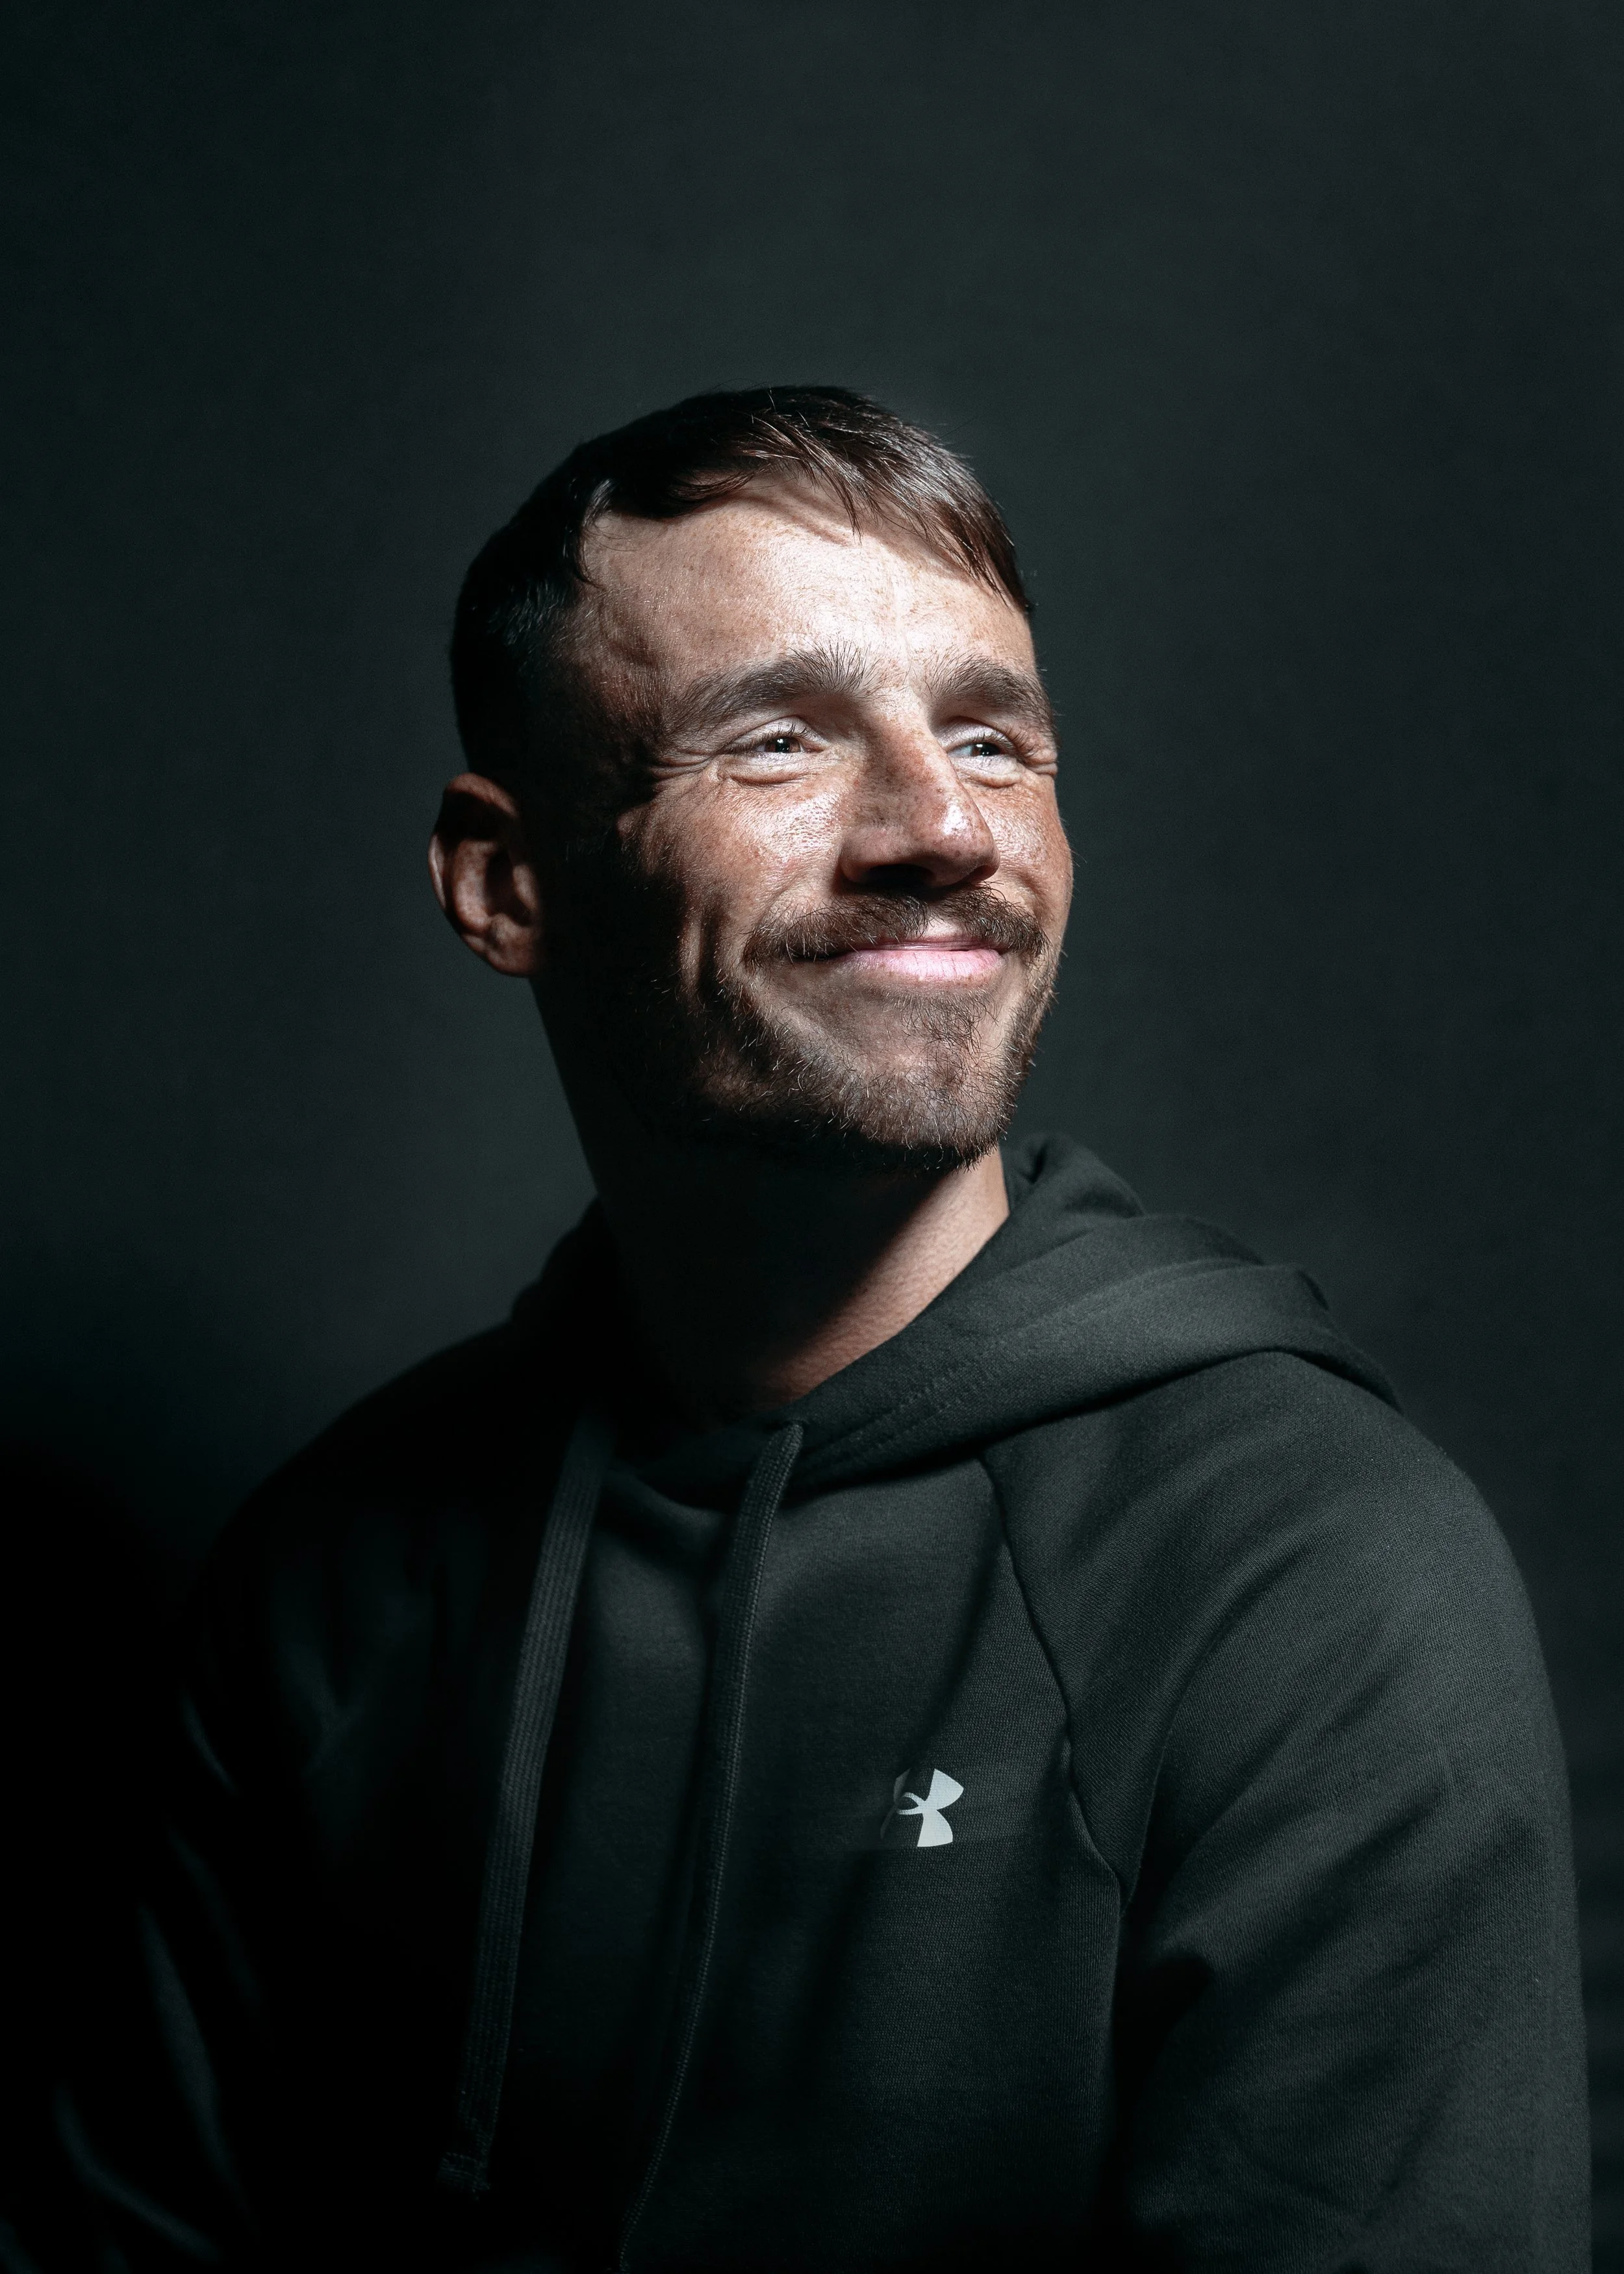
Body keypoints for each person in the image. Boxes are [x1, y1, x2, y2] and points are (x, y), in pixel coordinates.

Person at [66, 387, 1586, 2271]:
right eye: (776, 741)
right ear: (506, 880)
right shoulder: (328, 1584)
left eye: (990, 738)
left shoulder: (1312, 1575)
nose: (941, 827)